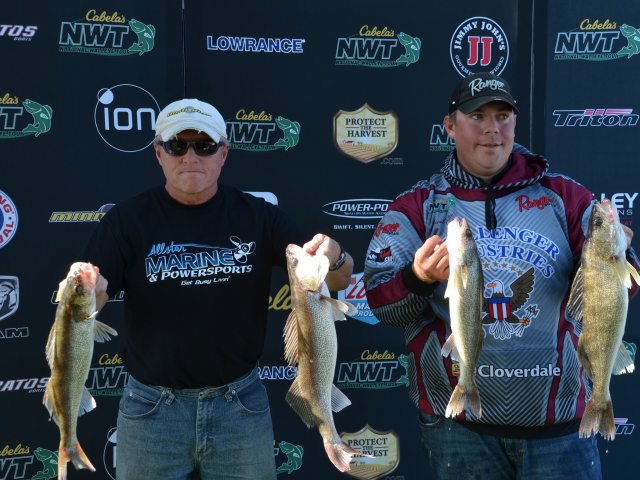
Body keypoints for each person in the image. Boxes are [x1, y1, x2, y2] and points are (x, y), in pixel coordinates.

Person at [363, 72, 638, 479]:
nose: (492, 128)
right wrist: (418, 277)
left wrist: (619, 254)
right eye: (477, 116)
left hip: (560, 428)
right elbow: (380, 304)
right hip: (460, 429)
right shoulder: (417, 205)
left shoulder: (564, 196)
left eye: (502, 116)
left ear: (514, 123)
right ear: (450, 126)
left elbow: (620, 289)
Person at [82, 98, 354, 480]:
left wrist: (334, 254)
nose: (190, 156)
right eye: (177, 145)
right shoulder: (126, 220)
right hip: (152, 410)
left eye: (204, 146)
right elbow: (91, 301)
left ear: (223, 154)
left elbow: (340, 279)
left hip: (239, 405)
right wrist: (87, 292)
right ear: (158, 153)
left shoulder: (258, 216)